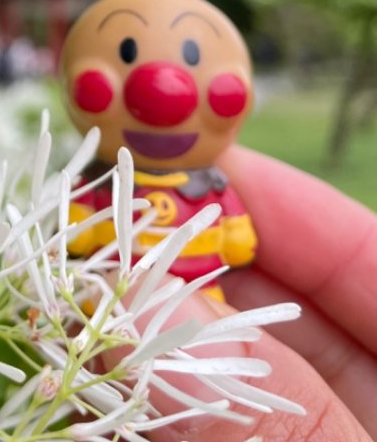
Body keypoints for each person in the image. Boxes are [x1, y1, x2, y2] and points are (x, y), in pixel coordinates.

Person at [142, 145, 377, 441]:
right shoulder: (112, 179)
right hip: (147, 281)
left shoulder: (213, 185)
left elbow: (235, 229)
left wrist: (237, 235)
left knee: (201, 320)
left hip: (203, 287)